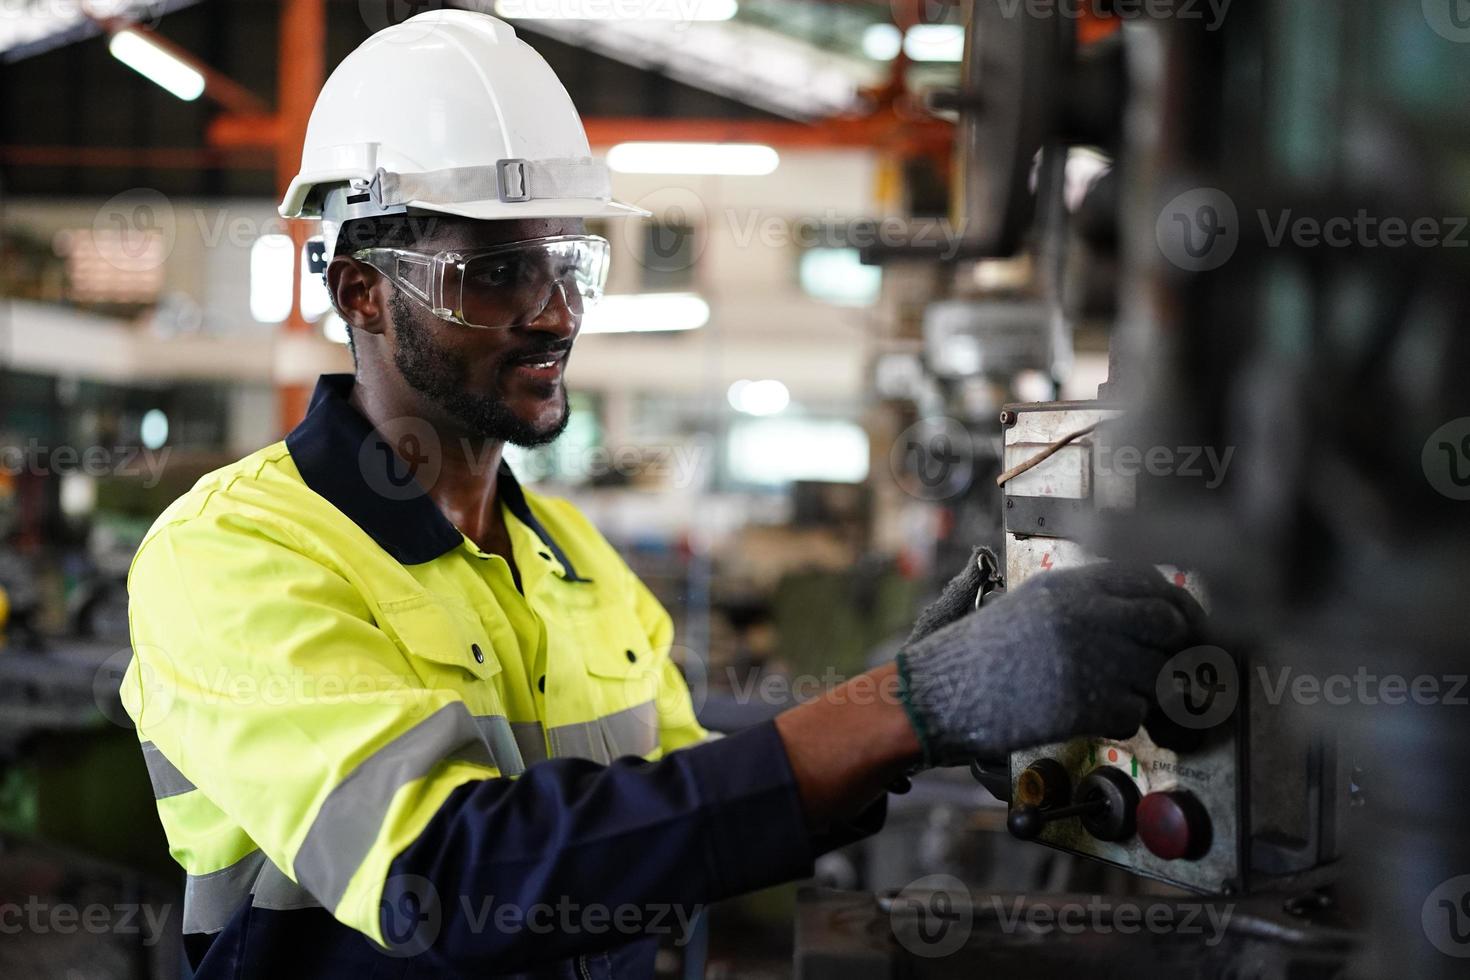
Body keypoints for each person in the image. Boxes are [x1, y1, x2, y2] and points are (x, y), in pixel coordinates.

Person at [123, 10, 1202, 978]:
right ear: (363, 290)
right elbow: (449, 875)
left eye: (569, 264)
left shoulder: (579, 563)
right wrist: (903, 704)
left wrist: (915, 711)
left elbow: (690, 819)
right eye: (494, 272)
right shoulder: (232, 554)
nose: (554, 313)